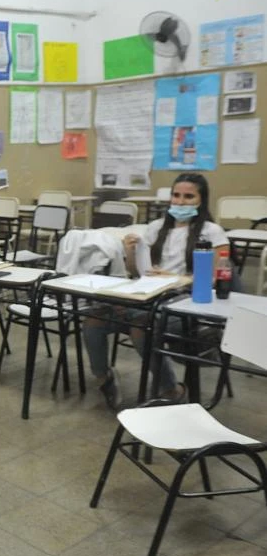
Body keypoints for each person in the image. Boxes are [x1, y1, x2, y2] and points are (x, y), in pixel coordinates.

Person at [83, 173, 228, 409]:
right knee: (93, 319)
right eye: (176, 195)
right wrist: (130, 252)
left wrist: (173, 278)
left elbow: (213, 279)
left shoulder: (213, 232)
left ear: (201, 200)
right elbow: (137, 271)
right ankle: (104, 378)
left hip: (187, 301)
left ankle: (172, 389)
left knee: (142, 327)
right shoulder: (155, 227)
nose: (180, 202)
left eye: (188, 196)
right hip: (149, 297)